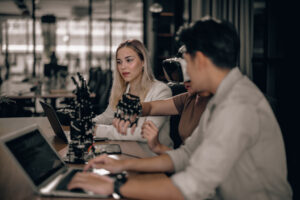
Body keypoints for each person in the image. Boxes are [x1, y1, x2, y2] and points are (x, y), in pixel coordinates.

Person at [68, 17, 292, 200]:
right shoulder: (219, 98)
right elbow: (186, 155)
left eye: (185, 63)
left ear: (201, 60)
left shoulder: (238, 106)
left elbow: (191, 185)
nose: (184, 76)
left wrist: (113, 187)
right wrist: (121, 165)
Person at [113, 56, 212, 154]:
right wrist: (132, 109)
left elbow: (190, 159)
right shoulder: (189, 98)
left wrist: (158, 147)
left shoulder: (216, 105)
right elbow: (152, 108)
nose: (185, 82)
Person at [92, 39, 173, 152]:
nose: (123, 67)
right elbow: (107, 117)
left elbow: (144, 134)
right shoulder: (122, 90)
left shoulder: (161, 91)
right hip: (128, 151)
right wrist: (89, 123)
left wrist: (98, 130)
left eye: (129, 60)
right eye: (119, 62)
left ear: (143, 61)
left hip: (154, 157)